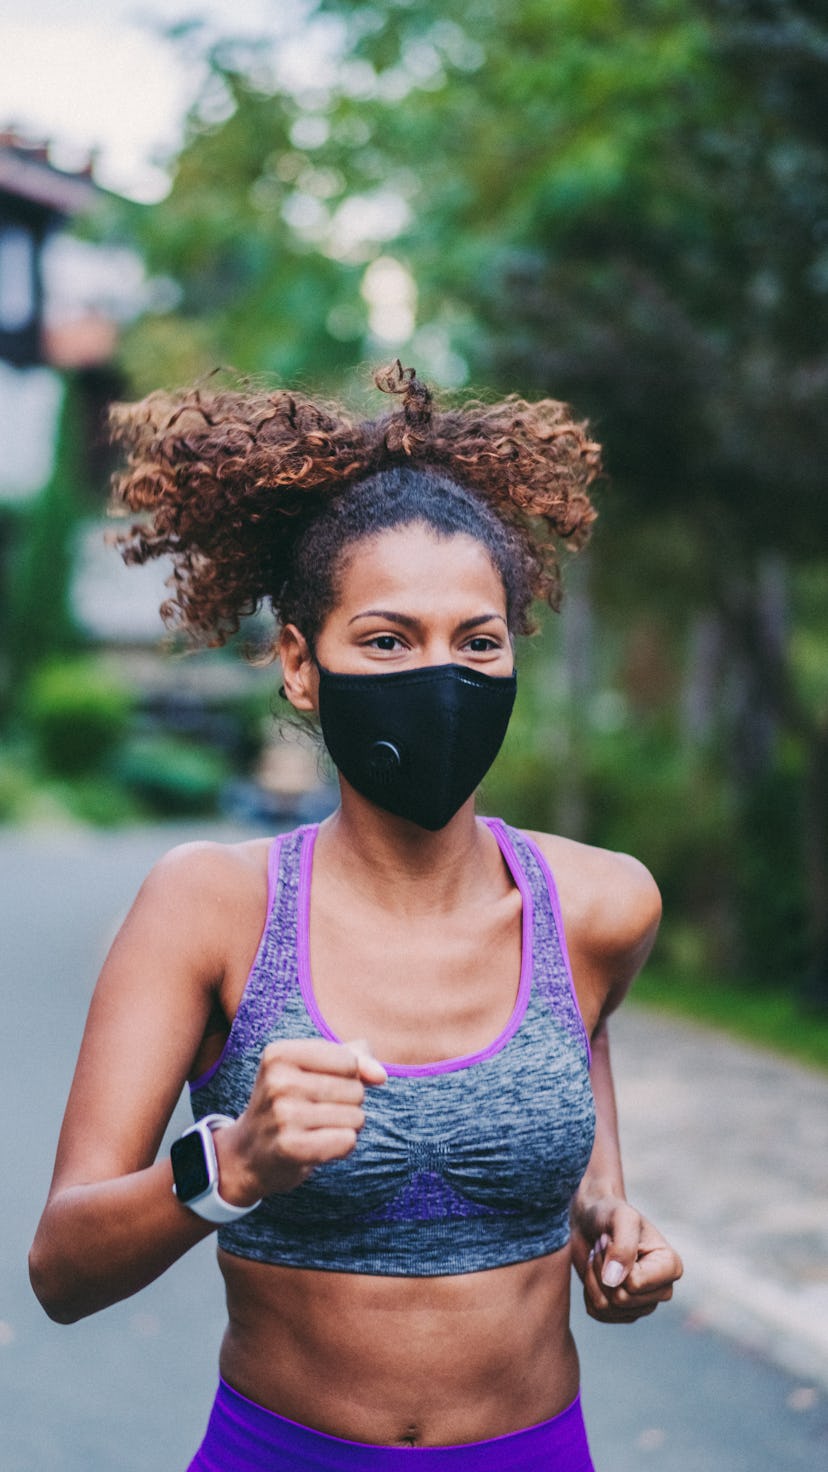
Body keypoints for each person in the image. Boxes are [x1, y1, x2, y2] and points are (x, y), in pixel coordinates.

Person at [30, 362, 683, 1470]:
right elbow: (63, 1267)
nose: (440, 676)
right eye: (387, 639)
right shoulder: (212, 907)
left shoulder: (602, 904)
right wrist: (231, 1162)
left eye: (477, 640)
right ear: (299, 662)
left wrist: (609, 1227)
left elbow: (581, 1060)